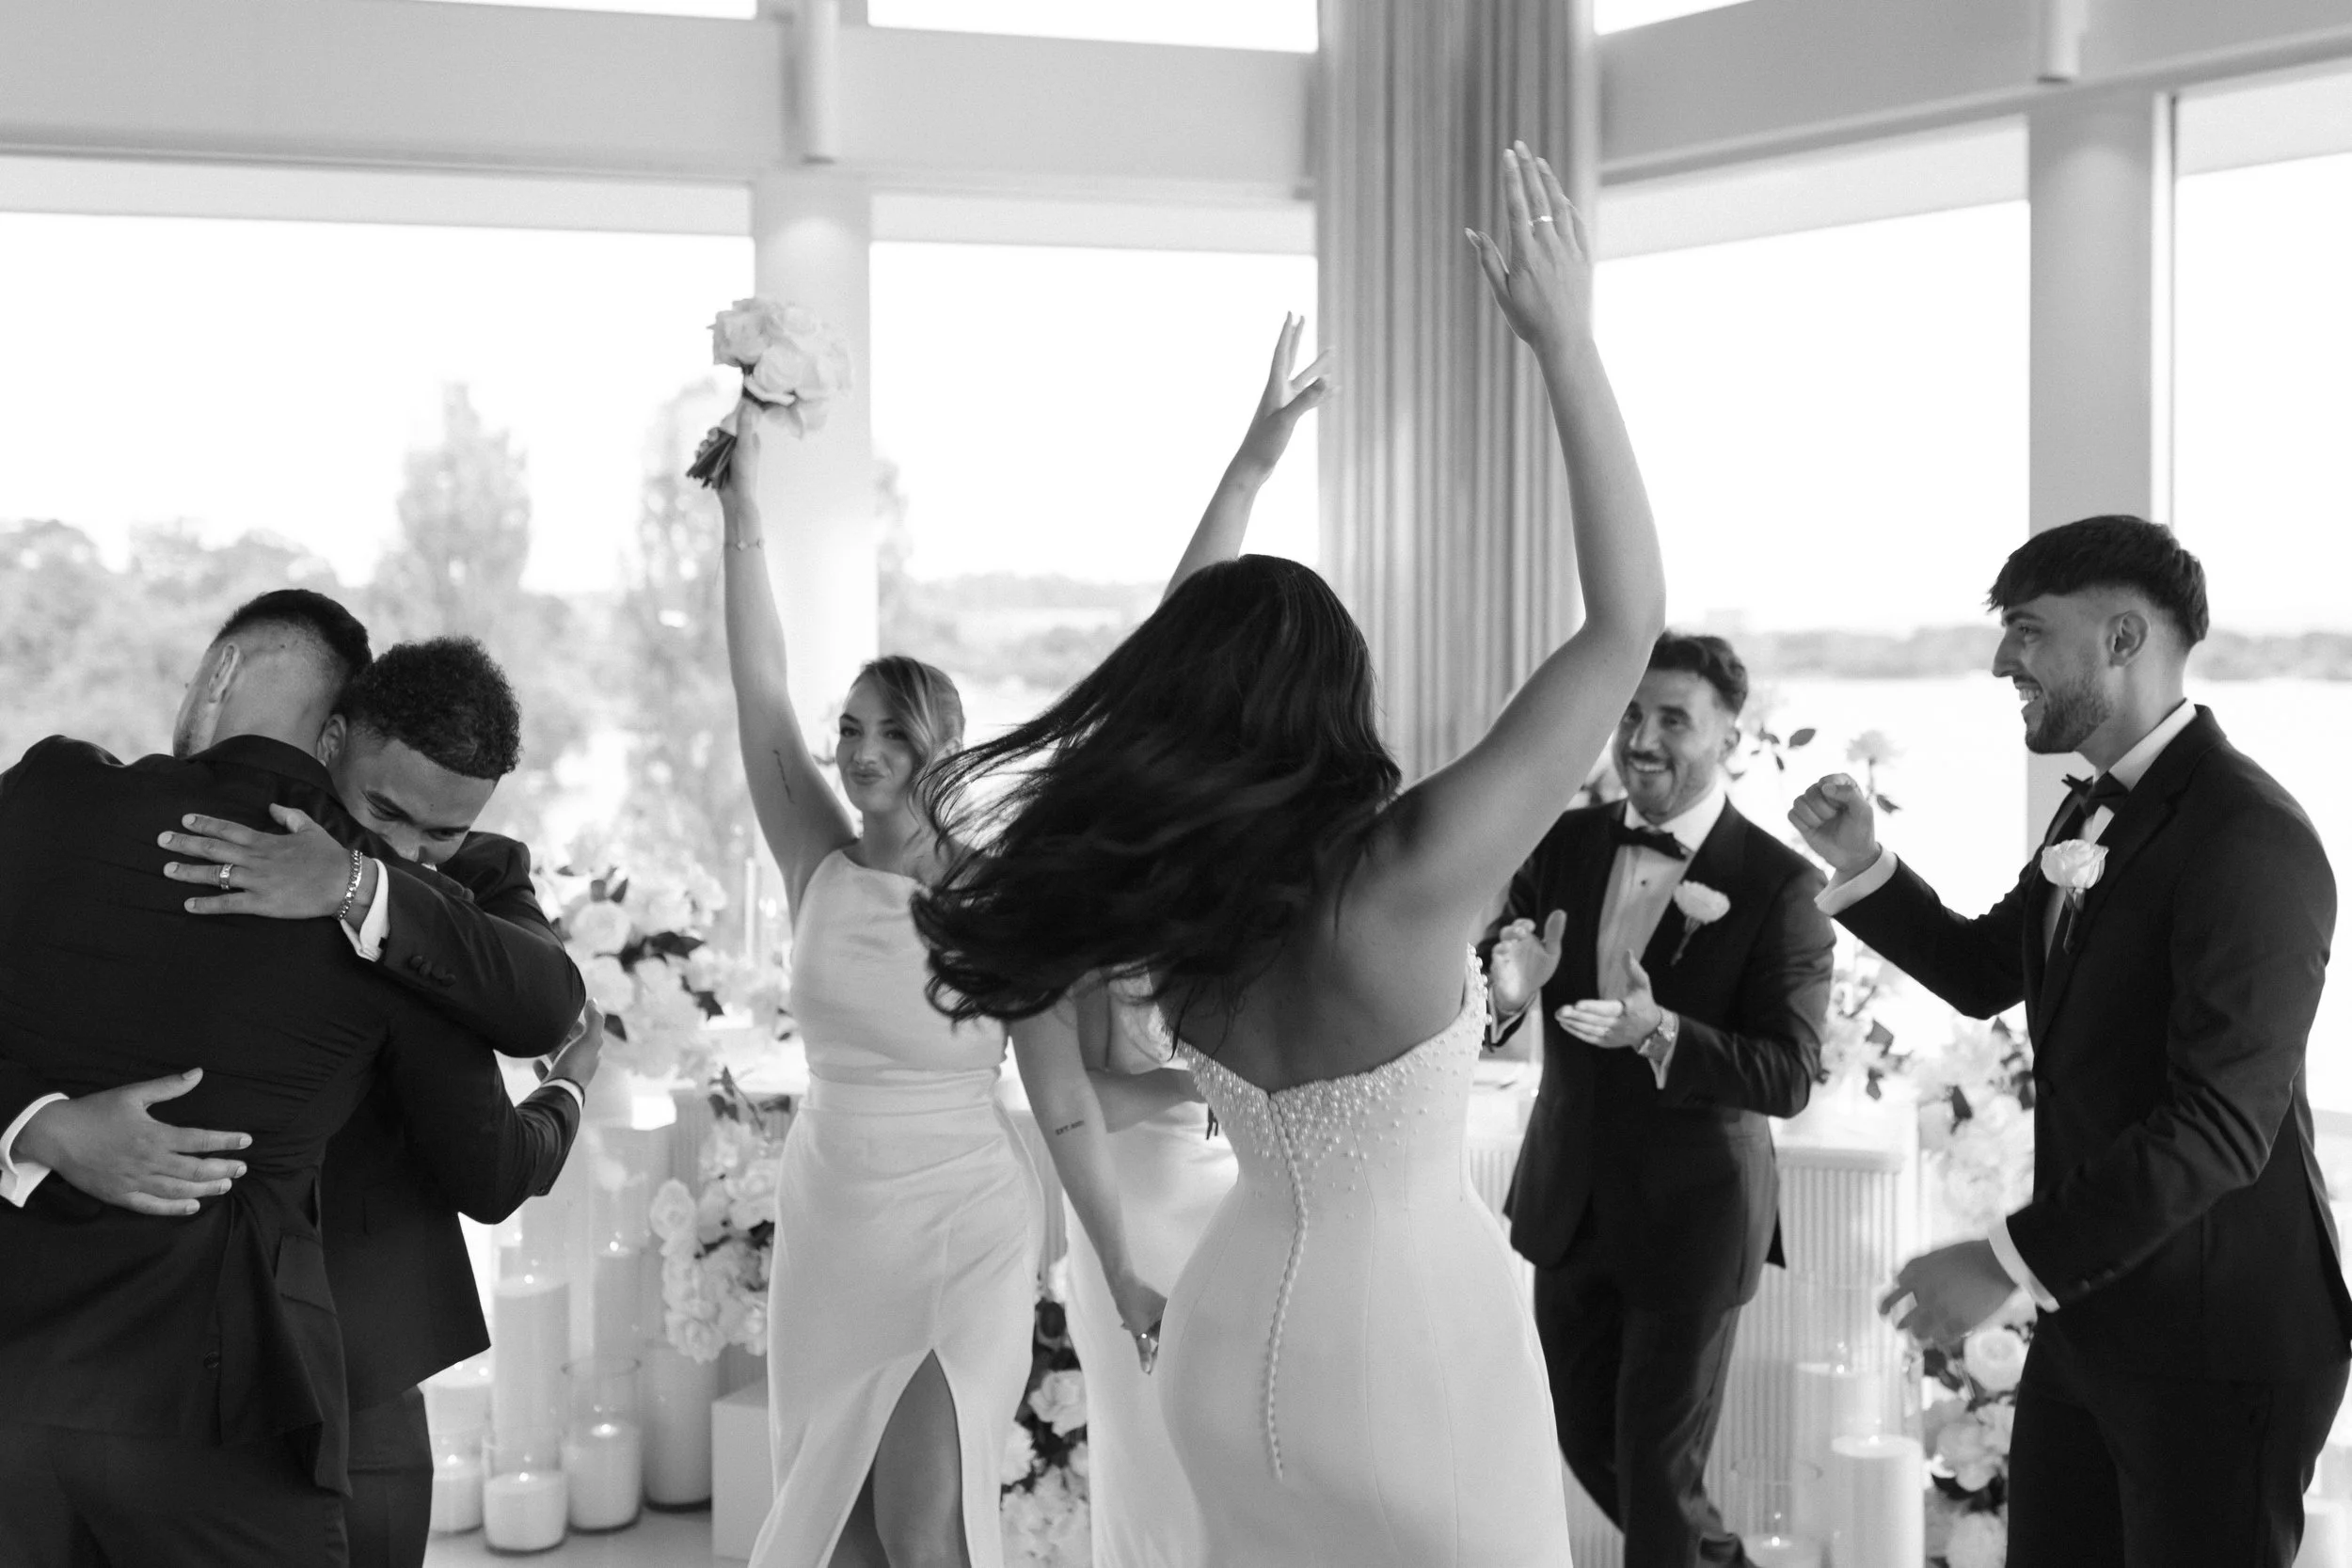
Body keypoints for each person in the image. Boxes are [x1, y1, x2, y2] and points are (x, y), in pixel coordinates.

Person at [914, 143, 1665, 1566]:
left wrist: (1250, 471)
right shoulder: (1407, 868)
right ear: (1338, 695)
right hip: (1409, 1366)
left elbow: (1163, 685)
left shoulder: (1179, 895)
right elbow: (1624, 621)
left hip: (1222, 1345)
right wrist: (1568, 345)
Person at [1790, 515, 2349, 1568]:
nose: (2004, 658)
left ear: (2124, 637)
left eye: (2029, 631)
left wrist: (2004, 1256)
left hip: (2220, 1339)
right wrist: (1863, 864)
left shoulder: (2250, 835)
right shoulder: (2089, 815)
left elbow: (2221, 1125)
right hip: (2093, 1320)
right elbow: (1980, 970)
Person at [0, 610, 596, 1568]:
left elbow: (543, 997)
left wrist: (362, 887)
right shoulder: (96, 818)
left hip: (345, 1362)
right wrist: (42, 1127)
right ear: (331, 740)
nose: (409, 848)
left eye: (441, 829)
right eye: (384, 811)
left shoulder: (441, 889)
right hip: (134, 1385)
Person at [714, 403, 1158, 1568]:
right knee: (840, 1532)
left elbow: (1061, 1097)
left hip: (961, 1219)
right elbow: (759, 693)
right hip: (832, 1214)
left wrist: (1114, 1260)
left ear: (941, 754)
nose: (861, 751)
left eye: (892, 737)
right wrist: (741, 516)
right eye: (852, 728)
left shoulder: (1000, 899)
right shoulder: (814, 854)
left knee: (924, 1526)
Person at [1054, 315, 1325, 1568]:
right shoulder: (1100, 838)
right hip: (1126, 1201)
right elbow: (1070, 1083)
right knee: (1158, 1490)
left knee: (1251, 1485)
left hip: (1240, 1198)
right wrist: (1111, 1263)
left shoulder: (1234, 849)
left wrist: (1260, 461)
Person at [1487, 630, 1832, 1568]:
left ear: (1727, 733)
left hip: (1694, 1213)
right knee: (1584, 1437)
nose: (1641, 737)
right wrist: (1505, 998)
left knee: (1651, 1462)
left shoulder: (1781, 884)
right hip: (1568, 1196)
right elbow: (1486, 987)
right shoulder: (1561, 841)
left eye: (1671, 718)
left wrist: (1658, 1030)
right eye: (1630, 714)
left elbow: (1790, 1073)